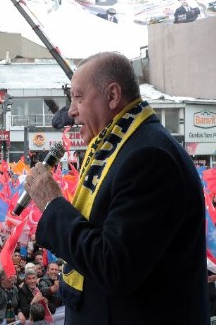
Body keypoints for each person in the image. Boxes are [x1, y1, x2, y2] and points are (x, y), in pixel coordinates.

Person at [24, 51, 209, 324]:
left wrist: (53, 204)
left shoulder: (148, 157)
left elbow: (114, 267)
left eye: (78, 97)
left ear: (112, 95)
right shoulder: (121, 148)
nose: (71, 111)